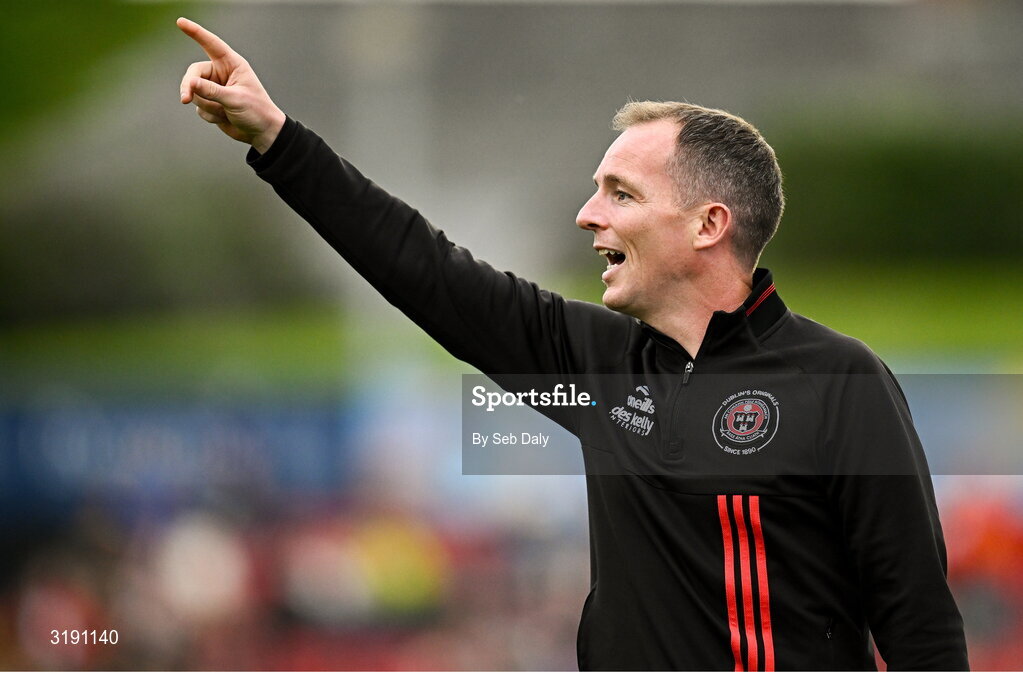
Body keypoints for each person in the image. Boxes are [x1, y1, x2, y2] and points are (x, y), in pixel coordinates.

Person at [177, 17, 969, 670]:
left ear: (708, 225)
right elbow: (425, 269)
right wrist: (277, 141)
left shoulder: (838, 380)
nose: (588, 216)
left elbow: (920, 628)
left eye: (620, 194)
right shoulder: (601, 367)